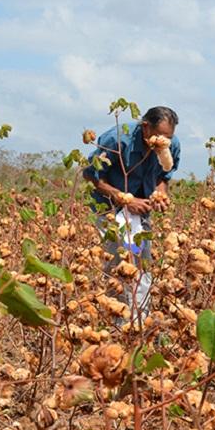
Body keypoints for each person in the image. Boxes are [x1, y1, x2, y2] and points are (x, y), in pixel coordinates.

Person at [82, 105, 181, 319]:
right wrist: (124, 199)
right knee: (118, 265)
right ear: (145, 127)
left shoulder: (172, 144)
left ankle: (139, 321)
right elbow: (92, 175)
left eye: (168, 137)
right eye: (159, 136)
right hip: (109, 209)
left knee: (142, 262)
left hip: (141, 211)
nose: (163, 141)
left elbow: (164, 177)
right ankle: (118, 320)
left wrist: (160, 193)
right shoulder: (118, 140)